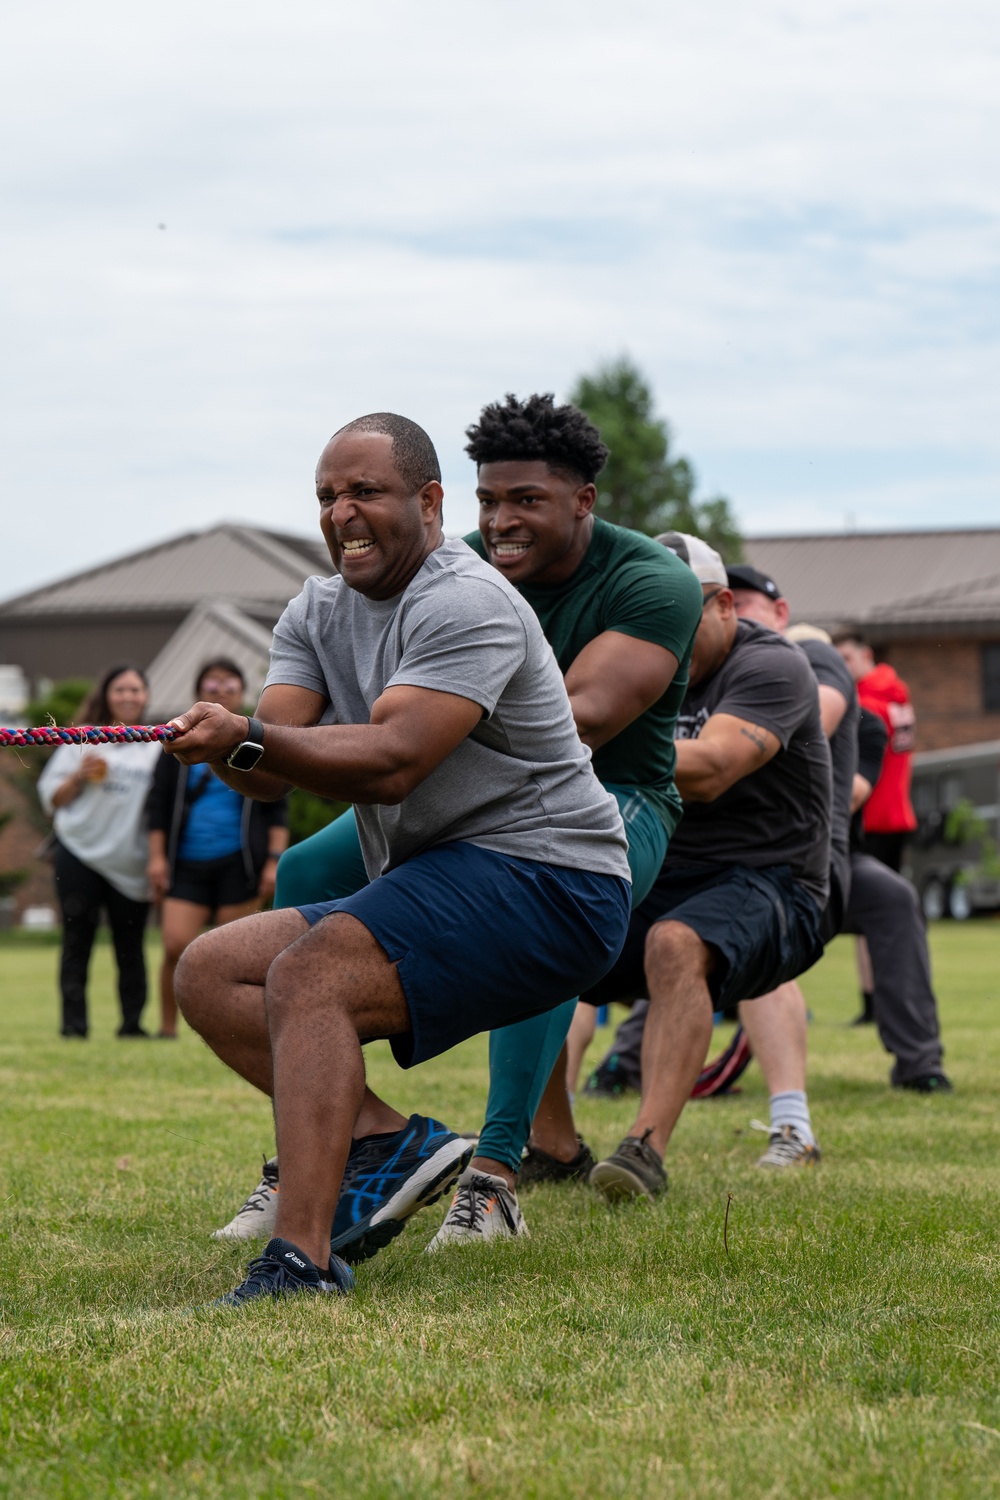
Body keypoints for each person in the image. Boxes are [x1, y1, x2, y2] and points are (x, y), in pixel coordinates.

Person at [212, 393, 702, 1252]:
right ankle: (372, 1143)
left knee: (351, 959)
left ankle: (496, 1170)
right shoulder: (366, 584)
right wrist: (240, 744)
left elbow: (581, 717)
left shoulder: (641, 581)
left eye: (526, 502)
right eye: (490, 501)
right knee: (262, 925)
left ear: (584, 501)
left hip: (595, 803)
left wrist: (276, 740)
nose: (501, 521)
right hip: (443, 806)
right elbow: (283, 743)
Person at [585, 561, 856, 1169]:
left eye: (682, 615)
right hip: (671, 868)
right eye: (653, 616)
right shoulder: (636, 660)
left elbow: (712, 767)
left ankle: (665, 1146)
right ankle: (546, 1143)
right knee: (553, 929)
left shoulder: (787, 661)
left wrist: (580, 735)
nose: (667, 634)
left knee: (684, 943)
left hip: (783, 874)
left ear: (728, 606)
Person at [145, 659, 289, 1038]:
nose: (221, 691)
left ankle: (235, 1033)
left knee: (233, 956)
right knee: (175, 944)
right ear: (198, 695)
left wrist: (274, 861)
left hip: (239, 862)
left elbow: (278, 808)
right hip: (186, 863)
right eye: (212, 686)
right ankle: (166, 1028)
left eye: (229, 686)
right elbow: (157, 807)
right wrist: (157, 857)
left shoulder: (256, 741)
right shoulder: (173, 744)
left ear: (241, 693)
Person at [37, 663, 160, 1038]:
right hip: (80, 853)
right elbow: (52, 800)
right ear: (106, 694)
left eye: (135, 690)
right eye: (120, 689)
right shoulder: (82, 740)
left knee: (130, 946)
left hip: (131, 862)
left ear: (146, 696)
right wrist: (78, 775)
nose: (128, 696)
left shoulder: (157, 746)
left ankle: (132, 1025)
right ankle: (74, 1026)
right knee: (77, 941)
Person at [842, 707, 952, 1092]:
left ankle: (919, 1063)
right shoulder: (753, 700)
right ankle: (642, 1054)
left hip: (837, 862)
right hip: (758, 859)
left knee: (895, 896)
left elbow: (853, 794)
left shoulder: (863, 724)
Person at [833, 631, 918, 1023]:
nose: (841, 668)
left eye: (846, 659)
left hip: (872, 818)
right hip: (898, 814)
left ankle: (873, 1004)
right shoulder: (898, 697)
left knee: (872, 918)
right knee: (885, 917)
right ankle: (881, 1003)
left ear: (866, 656)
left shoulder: (864, 704)